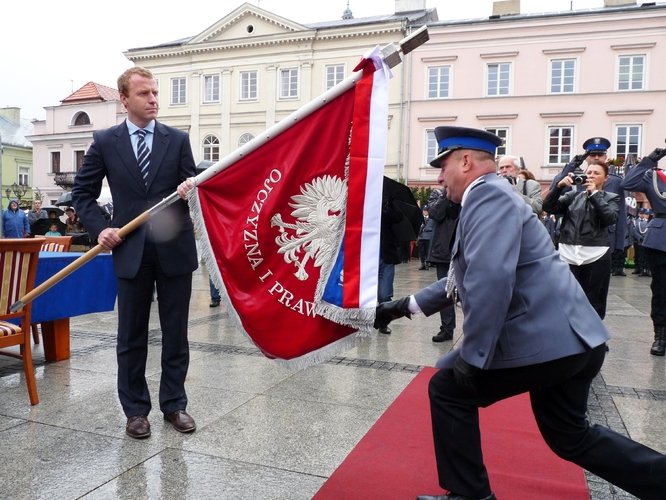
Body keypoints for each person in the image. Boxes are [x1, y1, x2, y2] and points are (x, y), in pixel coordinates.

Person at [375, 126, 666, 500]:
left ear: (465, 161)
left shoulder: (487, 198)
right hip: (576, 341)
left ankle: (470, 495)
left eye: (442, 166)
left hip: (552, 342)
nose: (439, 176)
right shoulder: (492, 195)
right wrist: (402, 307)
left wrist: (473, 355)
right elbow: (463, 278)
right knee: (571, 437)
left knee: (448, 389)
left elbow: (490, 281)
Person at [72, 66, 199, 439]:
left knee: (176, 333)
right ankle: (135, 411)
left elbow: (191, 193)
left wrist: (192, 192)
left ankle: (174, 404)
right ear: (124, 99)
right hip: (129, 250)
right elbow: (83, 193)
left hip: (174, 250)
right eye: (144, 94)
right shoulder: (106, 141)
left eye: (155, 93)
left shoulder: (177, 140)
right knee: (131, 335)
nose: (154, 99)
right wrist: (101, 228)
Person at [542, 160, 620, 320]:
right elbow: (548, 207)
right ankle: (570, 339)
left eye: (596, 173)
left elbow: (609, 218)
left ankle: (595, 340)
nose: (591, 176)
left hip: (596, 254)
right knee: (566, 297)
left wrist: (595, 195)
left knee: (594, 300)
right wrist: (558, 188)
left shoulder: (611, 198)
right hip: (568, 252)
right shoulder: (572, 195)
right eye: (589, 172)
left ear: (606, 178)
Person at [548, 137, 627, 276]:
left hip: (603, 241)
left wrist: (620, 244)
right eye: (592, 155)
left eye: (600, 154)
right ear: (586, 157)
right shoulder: (576, 177)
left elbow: (620, 216)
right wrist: (571, 166)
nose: (596, 157)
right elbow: (554, 190)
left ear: (606, 156)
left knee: (596, 289)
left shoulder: (615, 181)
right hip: (573, 240)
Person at [621, 146, 666, 356]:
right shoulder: (655, 177)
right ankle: (660, 336)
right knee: (661, 291)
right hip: (661, 239)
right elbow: (627, 183)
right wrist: (649, 160)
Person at [425, 187, 460, 342]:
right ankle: (447, 328)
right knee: (446, 292)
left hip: (466, 248)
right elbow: (435, 214)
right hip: (444, 251)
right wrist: (448, 193)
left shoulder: (467, 191)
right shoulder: (438, 194)